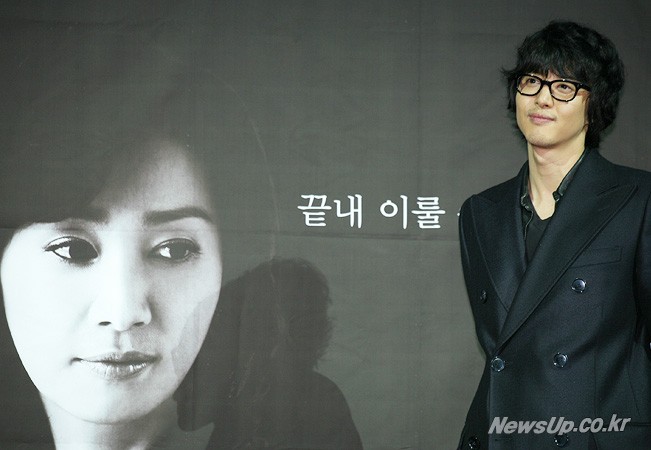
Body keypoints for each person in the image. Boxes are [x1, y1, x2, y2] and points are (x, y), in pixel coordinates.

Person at [0, 42, 361, 449]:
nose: (123, 313)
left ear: (230, 265)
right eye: (74, 250)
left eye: (174, 250)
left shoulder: (304, 425)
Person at [457, 21, 651, 449]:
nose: (542, 98)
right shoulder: (479, 212)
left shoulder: (639, 199)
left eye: (564, 86)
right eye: (531, 81)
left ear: (594, 103)